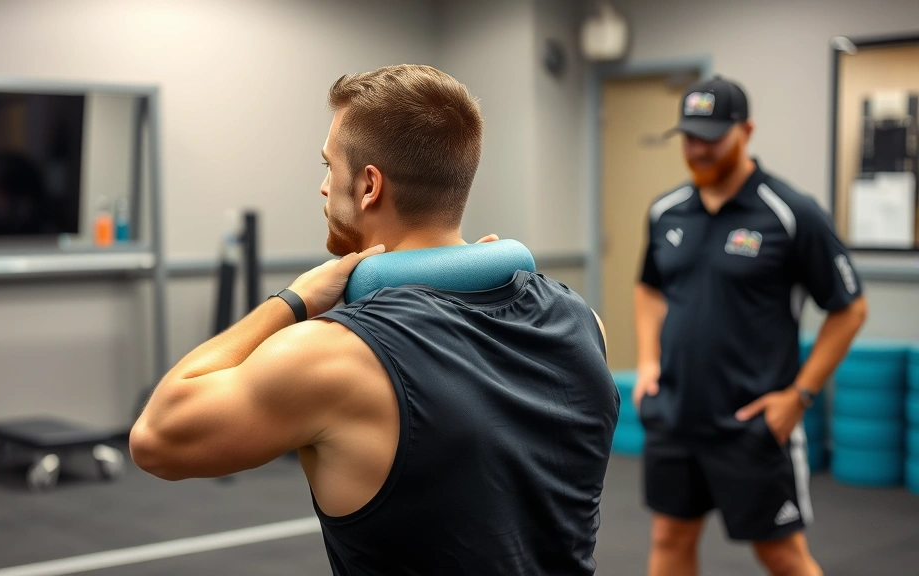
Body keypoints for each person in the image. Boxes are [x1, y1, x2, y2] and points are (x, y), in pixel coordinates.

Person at [131, 64, 619, 575]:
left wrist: (292, 300)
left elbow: (155, 437)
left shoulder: (334, 356)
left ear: (368, 186)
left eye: (328, 167)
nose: (323, 188)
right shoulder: (585, 323)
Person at [633, 76, 869, 576]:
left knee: (781, 554)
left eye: (712, 137)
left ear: (747, 131)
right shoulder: (665, 212)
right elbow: (649, 288)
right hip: (675, 416)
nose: (698, 150)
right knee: (669, 538)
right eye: (690, 138)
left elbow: (850, 309)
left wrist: (799, 397)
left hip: (751, 424)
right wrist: (650, 359)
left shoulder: (791, 213)